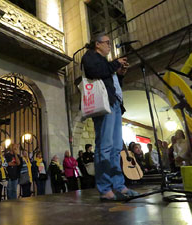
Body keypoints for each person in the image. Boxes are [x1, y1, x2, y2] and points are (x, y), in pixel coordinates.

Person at [81, 32, 138, 201]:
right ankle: (105, 188)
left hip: (114, 104)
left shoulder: (106, 63)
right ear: (97, 44)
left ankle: (119, 185)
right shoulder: (89, 56)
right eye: (106, 42)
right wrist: (115, 64)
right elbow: (93, 71)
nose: (109, 45)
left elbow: (113, 85)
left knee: (115, 149)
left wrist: (120, 74)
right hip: (103, 105)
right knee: (104, 147)